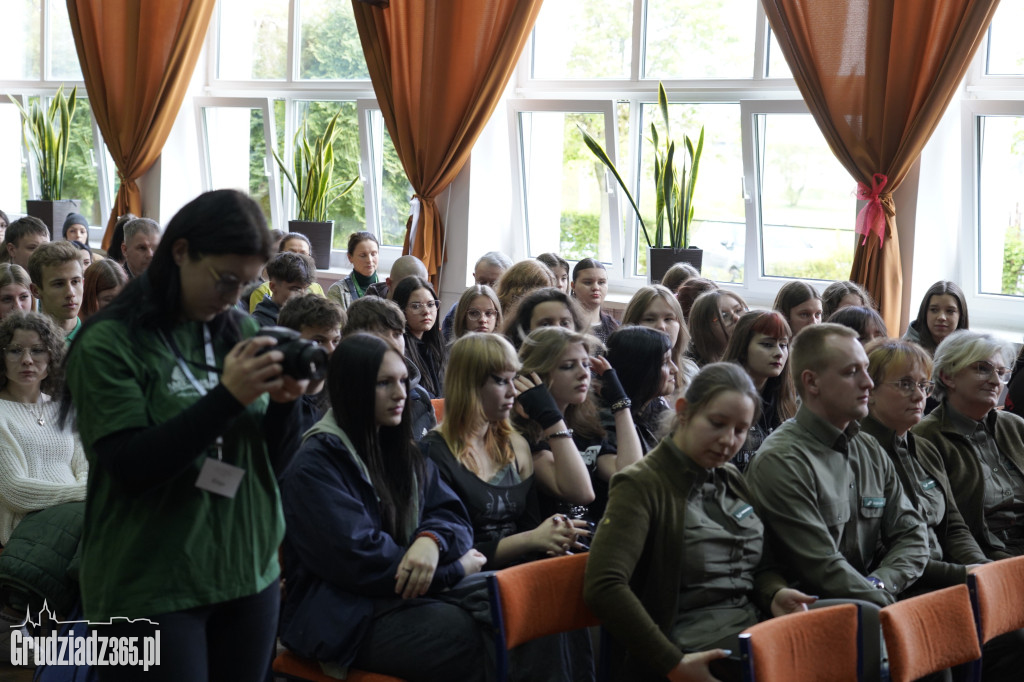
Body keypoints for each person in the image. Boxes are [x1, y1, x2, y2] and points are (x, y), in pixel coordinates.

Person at [64, 189, 308, 681]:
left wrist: (286, 405)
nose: (232, 297)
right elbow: (131, 467)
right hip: (151, 580)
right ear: (180, 253)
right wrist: (226, 398)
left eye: (245, 283)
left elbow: (270, 463)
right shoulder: (109, 342)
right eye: (224, 279)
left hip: (247, 567)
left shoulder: (237, 329)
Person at [583, 363, 816, 682]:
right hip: (690, 646)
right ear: (684, 411)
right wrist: (672, 663)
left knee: (858, 621)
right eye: (717, 423)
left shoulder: (730, 477)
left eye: (740, 430)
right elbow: (604, 587)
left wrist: (774, 593)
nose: (728, 440)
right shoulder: (641, 484)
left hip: (751, 629)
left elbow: (761, 568)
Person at [278, 334, 488, 681]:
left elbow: (453, 516)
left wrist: (431, 541)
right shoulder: (316, 464)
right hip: (342, 616)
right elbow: (362, 561)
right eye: (384, 383)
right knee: (465, 633)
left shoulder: (400, 450)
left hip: (398, 599)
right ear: (352, 388)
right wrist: (453, 571)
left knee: (506, 605)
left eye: (403, 380)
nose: (400, 393)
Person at [864, 338, 1024, 682]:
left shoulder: (918, 445)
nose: (918, 394)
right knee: (1014, 641)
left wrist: (983, 573)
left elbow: (952, 525)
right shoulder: (922, 438)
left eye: (922, 385)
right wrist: (984, 574)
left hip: (971, 569)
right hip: (939, 575)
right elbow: (896, 548)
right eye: (982, 368)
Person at [745, 324, 928, 608]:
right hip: (814, 611)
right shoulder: (782, 460)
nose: (868, 383)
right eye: (851, 372)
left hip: (873, 599)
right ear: (812, 382)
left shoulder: (868, 449)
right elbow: (823, 569)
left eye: (866, 369)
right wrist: (891, 609)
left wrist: (881, 582)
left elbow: (913, 535)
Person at [419, 333, 593, 569]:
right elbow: (451, 554)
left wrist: (554, 536)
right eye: (502, 381)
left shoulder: (516, 445)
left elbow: (535, 526)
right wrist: (531, 540)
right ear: (470, 384)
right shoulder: (433, 452)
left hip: (520, 576)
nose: (513, 392)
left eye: (514, 380)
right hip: (466, 585)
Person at [912, 330, 1024, 558]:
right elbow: (951, 528)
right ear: (947, 376)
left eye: (1001, 372)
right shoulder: (926, 437)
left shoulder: (1015, 427)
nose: (995, 381)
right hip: (988, 554)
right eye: (982, 369)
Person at [514, 326, 641, 523]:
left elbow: (630, 477)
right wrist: (551, 418)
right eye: (568, 366)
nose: (584, 374)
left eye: (585, 364)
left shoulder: (584, 427)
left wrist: (621, 404)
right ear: (538, 374)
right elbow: (581, 493)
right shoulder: (526, 435)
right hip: (550, 550)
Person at [0, 311, 87, 545]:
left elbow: (85, 467)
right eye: (16, 350)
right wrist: (80, 494)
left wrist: (85, 493)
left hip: (77, 520)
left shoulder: (63, 408)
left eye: (37, 350)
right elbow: (13, 490)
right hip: (30, 533)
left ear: (51, 358)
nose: (27, 360)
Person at [342, 296, 436, 441]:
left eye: (397, 334)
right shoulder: (339, 398)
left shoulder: (420, 396)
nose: (393, 342)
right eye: (381, 334)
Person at [722, 311, 797, 472]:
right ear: (743, 349)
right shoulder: (722, 400)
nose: (779, 353)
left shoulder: (786, 401)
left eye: (783, 345)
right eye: (767, 344)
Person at [278, 294, 346, 439]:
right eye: (319, 341)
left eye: (336, 341)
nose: (332, 350)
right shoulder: (275, 398)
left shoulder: (344, 392)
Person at [604, 326, 679, 454]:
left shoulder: (658, 410)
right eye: (665, 362)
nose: (675, 369)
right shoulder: (609, 423)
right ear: (641, 370)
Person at [622, 284, 698, 392]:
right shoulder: (620, 378)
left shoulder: (691, 371)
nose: (661, 326)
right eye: (649, 319)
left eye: (668, 319)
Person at [393, 276, 447, 399]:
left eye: (430, 304)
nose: (426, 311)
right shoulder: (399, 350)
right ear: (401, 310)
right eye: (416, 306)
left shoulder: (438, 343)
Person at [246, 232, 327, 312]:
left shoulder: (316, 287)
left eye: (303, 254)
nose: (298, 257)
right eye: (291, 253)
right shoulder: (262, 291)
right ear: (280, 255)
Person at [442, 251, 512, 341]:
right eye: (482, 282)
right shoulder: (459, 309)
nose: (487, 288)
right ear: (474, 277)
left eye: (494, 283)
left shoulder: (513, 312)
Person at [27, 241, 84, 341]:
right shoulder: (22, 343)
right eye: (59, 284)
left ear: (83, 283)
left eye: (75, 281)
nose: (70, 293)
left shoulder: (98, 342)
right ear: (36, 291)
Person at [503, 287, 583, 351]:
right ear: (526, 330)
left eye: (564, 323)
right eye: (546, 324)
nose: (558, 330)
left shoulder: (586, 368)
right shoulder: (512, 370)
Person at [250, 251, 317, 327]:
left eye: (306, 289)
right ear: (273, 287)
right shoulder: (259, 324)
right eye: (296, 289)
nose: (303, 295)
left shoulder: (305, 316)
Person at [903, 281, 969, 356]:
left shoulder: (971, 351)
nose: (941, 317)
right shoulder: (906, 351)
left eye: (950, 311)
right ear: (924, 313)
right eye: (934, 310)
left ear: (961, 316)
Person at [686, 290, 748, 367]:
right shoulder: (693, 369)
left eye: (738, 310)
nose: (737, 318)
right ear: (704, 328)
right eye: (724, 315)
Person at [326, 231, 379, 311]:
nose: (369, 260)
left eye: (373, 254)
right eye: (363, 255)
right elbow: (336, 323)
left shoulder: (389, 286)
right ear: (350, 258)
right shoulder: (337, 291)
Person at [570, 258, 617, 343]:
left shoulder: (615, 328)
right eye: (588, 282)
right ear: (573, 286)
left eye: (601, 282)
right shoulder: (565, 325)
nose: (596, 287)